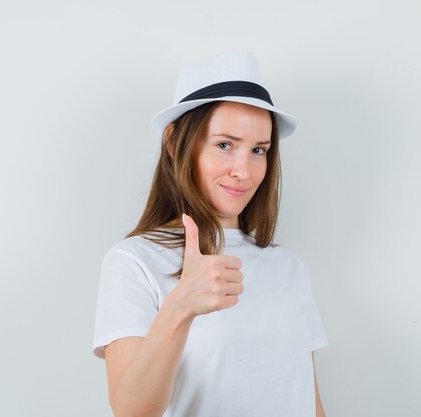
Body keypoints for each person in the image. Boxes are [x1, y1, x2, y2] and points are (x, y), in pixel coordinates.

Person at [92, 51, 329, 417]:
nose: (243, 171)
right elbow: (131, 410)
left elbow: (307, 402)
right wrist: (181, 306)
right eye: (225, 145)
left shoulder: (289, 267)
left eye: (258, 150)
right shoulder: (134, 261)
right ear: (175, 144)